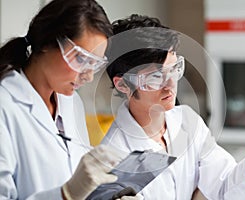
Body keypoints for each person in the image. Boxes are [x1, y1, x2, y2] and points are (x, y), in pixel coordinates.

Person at [101, 14, 245, 199]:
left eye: (174, 69)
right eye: (155, 77)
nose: (170, 84)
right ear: (123, 84)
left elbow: (227, 188)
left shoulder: (187, 121)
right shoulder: (112, 157)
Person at [0, 1, 141, 200]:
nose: (88, 76)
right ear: (47, 43)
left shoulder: (71, 103)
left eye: (95, 64)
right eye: (81, 59)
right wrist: (66, 195)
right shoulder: (5, 105)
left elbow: (79, 184)